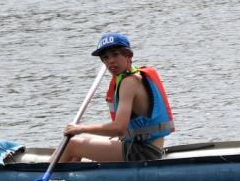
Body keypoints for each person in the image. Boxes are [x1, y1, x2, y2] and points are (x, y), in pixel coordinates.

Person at [59, 32, 174, 163]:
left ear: (128, 55)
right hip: (146, 147)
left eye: (115, 54)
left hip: (142, 152)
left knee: (71, 144)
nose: (111, 61)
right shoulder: (134, 76)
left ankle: (41, 174)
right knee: (82, 141)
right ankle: (67, 178)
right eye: (105, 57)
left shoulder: (129, 82)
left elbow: (119, 128)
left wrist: (80, 128)